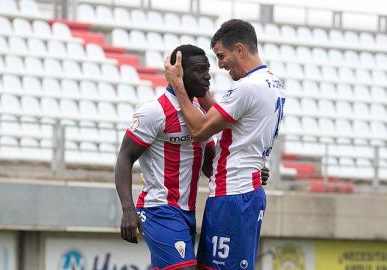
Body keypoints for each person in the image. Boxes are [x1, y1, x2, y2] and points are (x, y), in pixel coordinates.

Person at [115, 44, 270, 270]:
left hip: (187, 212)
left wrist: (249, 171)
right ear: (179, 74)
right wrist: (128, 210)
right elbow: (124, 158)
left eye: (207, 70)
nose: (207, 77)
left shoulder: (200, 114)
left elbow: (210, 167)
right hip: (159, 209)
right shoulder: (154, 112)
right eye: (199, 70)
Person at [164, 19, 286, 270]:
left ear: (239, 49)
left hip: (234, 195)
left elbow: (199, 130)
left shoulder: (246, 87)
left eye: (221, 56)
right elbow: (232, 120)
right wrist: (199, 88)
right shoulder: (273, 82)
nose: (219, 65)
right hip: (243, 190)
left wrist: (178, 84)